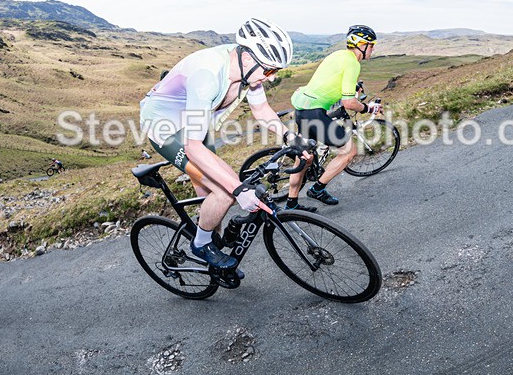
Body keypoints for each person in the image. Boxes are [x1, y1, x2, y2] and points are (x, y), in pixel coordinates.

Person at [139, 18, 309, 270]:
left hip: (195, 123)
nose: (271, 78)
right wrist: (238, 190)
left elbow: (261, 109)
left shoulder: (248, 70)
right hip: (166, 128)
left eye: (276, 71)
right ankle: (201, 244)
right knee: (226, 191)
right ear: (249, 58)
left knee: (211, 194)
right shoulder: (208, 74)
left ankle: (208, 236)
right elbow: (193, 147)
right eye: (270, 70)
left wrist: (288, 136)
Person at [288, 25, 382, 206]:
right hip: (314, 113)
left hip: (302, 109)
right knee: (349, 150)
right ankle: (317, 189)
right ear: (361, 45)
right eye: (371, 45)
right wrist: (368, 109)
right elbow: (349, 103)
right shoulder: (353, 63)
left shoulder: (339, 56)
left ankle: (291, 204)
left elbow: (330, 80)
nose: (373, 49)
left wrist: (352, 87)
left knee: (305, 158)